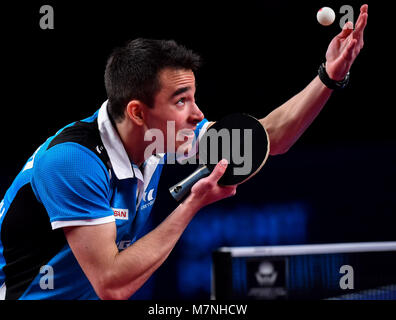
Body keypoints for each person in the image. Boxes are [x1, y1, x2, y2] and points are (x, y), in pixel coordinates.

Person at [0, 5, 367, 300]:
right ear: (138, 112)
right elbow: (111, 284)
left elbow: (268, 138)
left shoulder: (162, 138)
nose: (198, 114)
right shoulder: (72, 162)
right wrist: (191, 204)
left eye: (193, 97)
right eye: (181, 101)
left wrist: (328, 78)